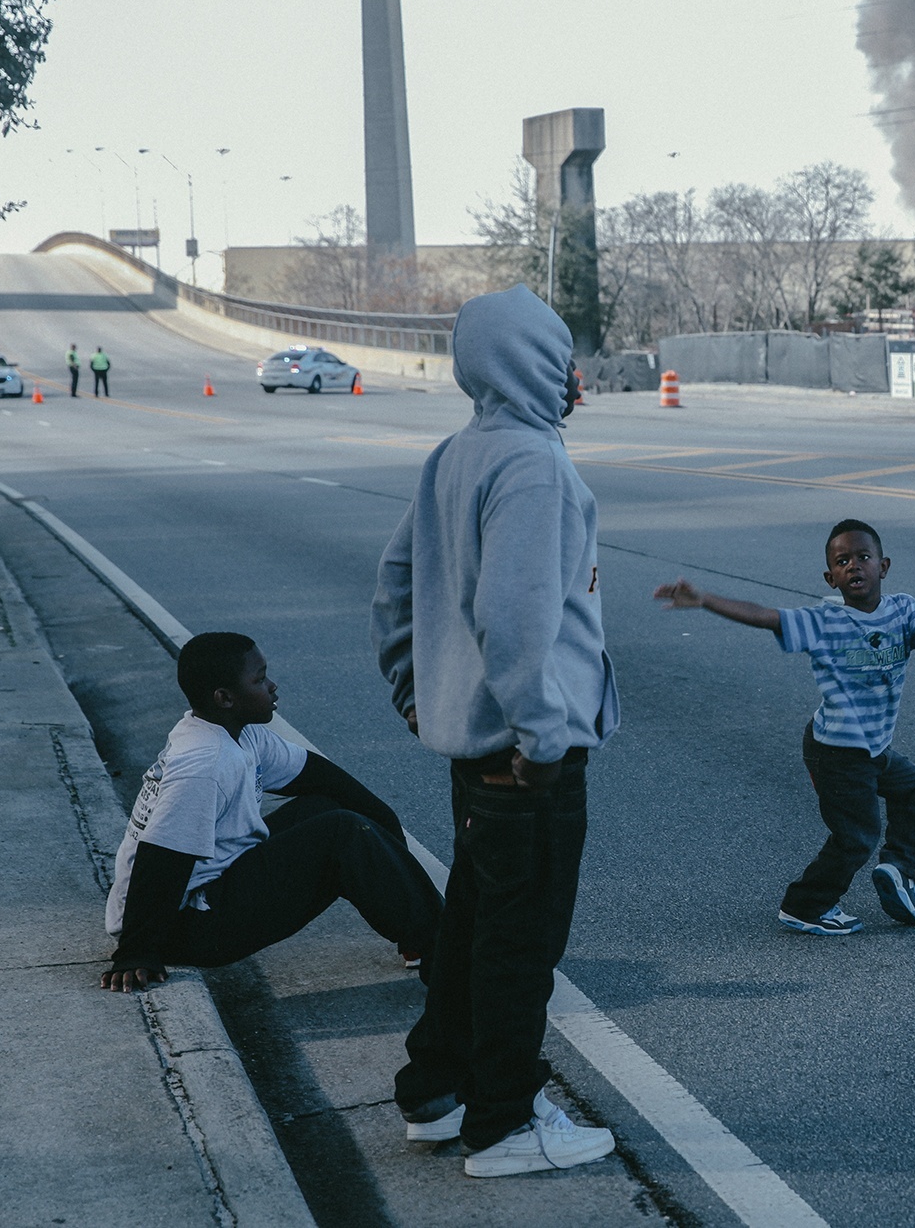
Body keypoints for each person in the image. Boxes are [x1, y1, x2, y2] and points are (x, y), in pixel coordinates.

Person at [373, 284, 619, 1178]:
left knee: (471, 927)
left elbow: (393, 586)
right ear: (531, 363)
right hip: (524, 756)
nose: (572, 375)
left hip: (473, 747)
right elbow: (513, 618)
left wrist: (413, 690)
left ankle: (434, 1091)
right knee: (520, 945)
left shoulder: (456, 452)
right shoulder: (532, 462)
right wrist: (543, 736)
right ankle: (504, 1123)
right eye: (559, 356)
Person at [654, 518, 915, 936]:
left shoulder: (904, 609)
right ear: (830, 577)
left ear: (883, 566)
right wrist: (704, 599)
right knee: (857, 836)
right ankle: (805, 906)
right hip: (835, 751)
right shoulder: (825, 623)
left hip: (874, 747)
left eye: (863, 557)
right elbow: (764, 616)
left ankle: (900, 870)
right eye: (842, 561)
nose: (854, 566)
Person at [101, 632, 443, 994]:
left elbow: (326, 780)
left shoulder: (238, 734)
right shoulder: (203, 764)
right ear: (225, 698)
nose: (273, 686)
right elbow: (161, 858)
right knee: (342, 834)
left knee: (331, 809)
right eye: (260, 680)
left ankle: (426, 936)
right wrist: (136, 953)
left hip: (209, 892)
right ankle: (448, 954)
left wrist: (386, 826)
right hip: (184, 926)